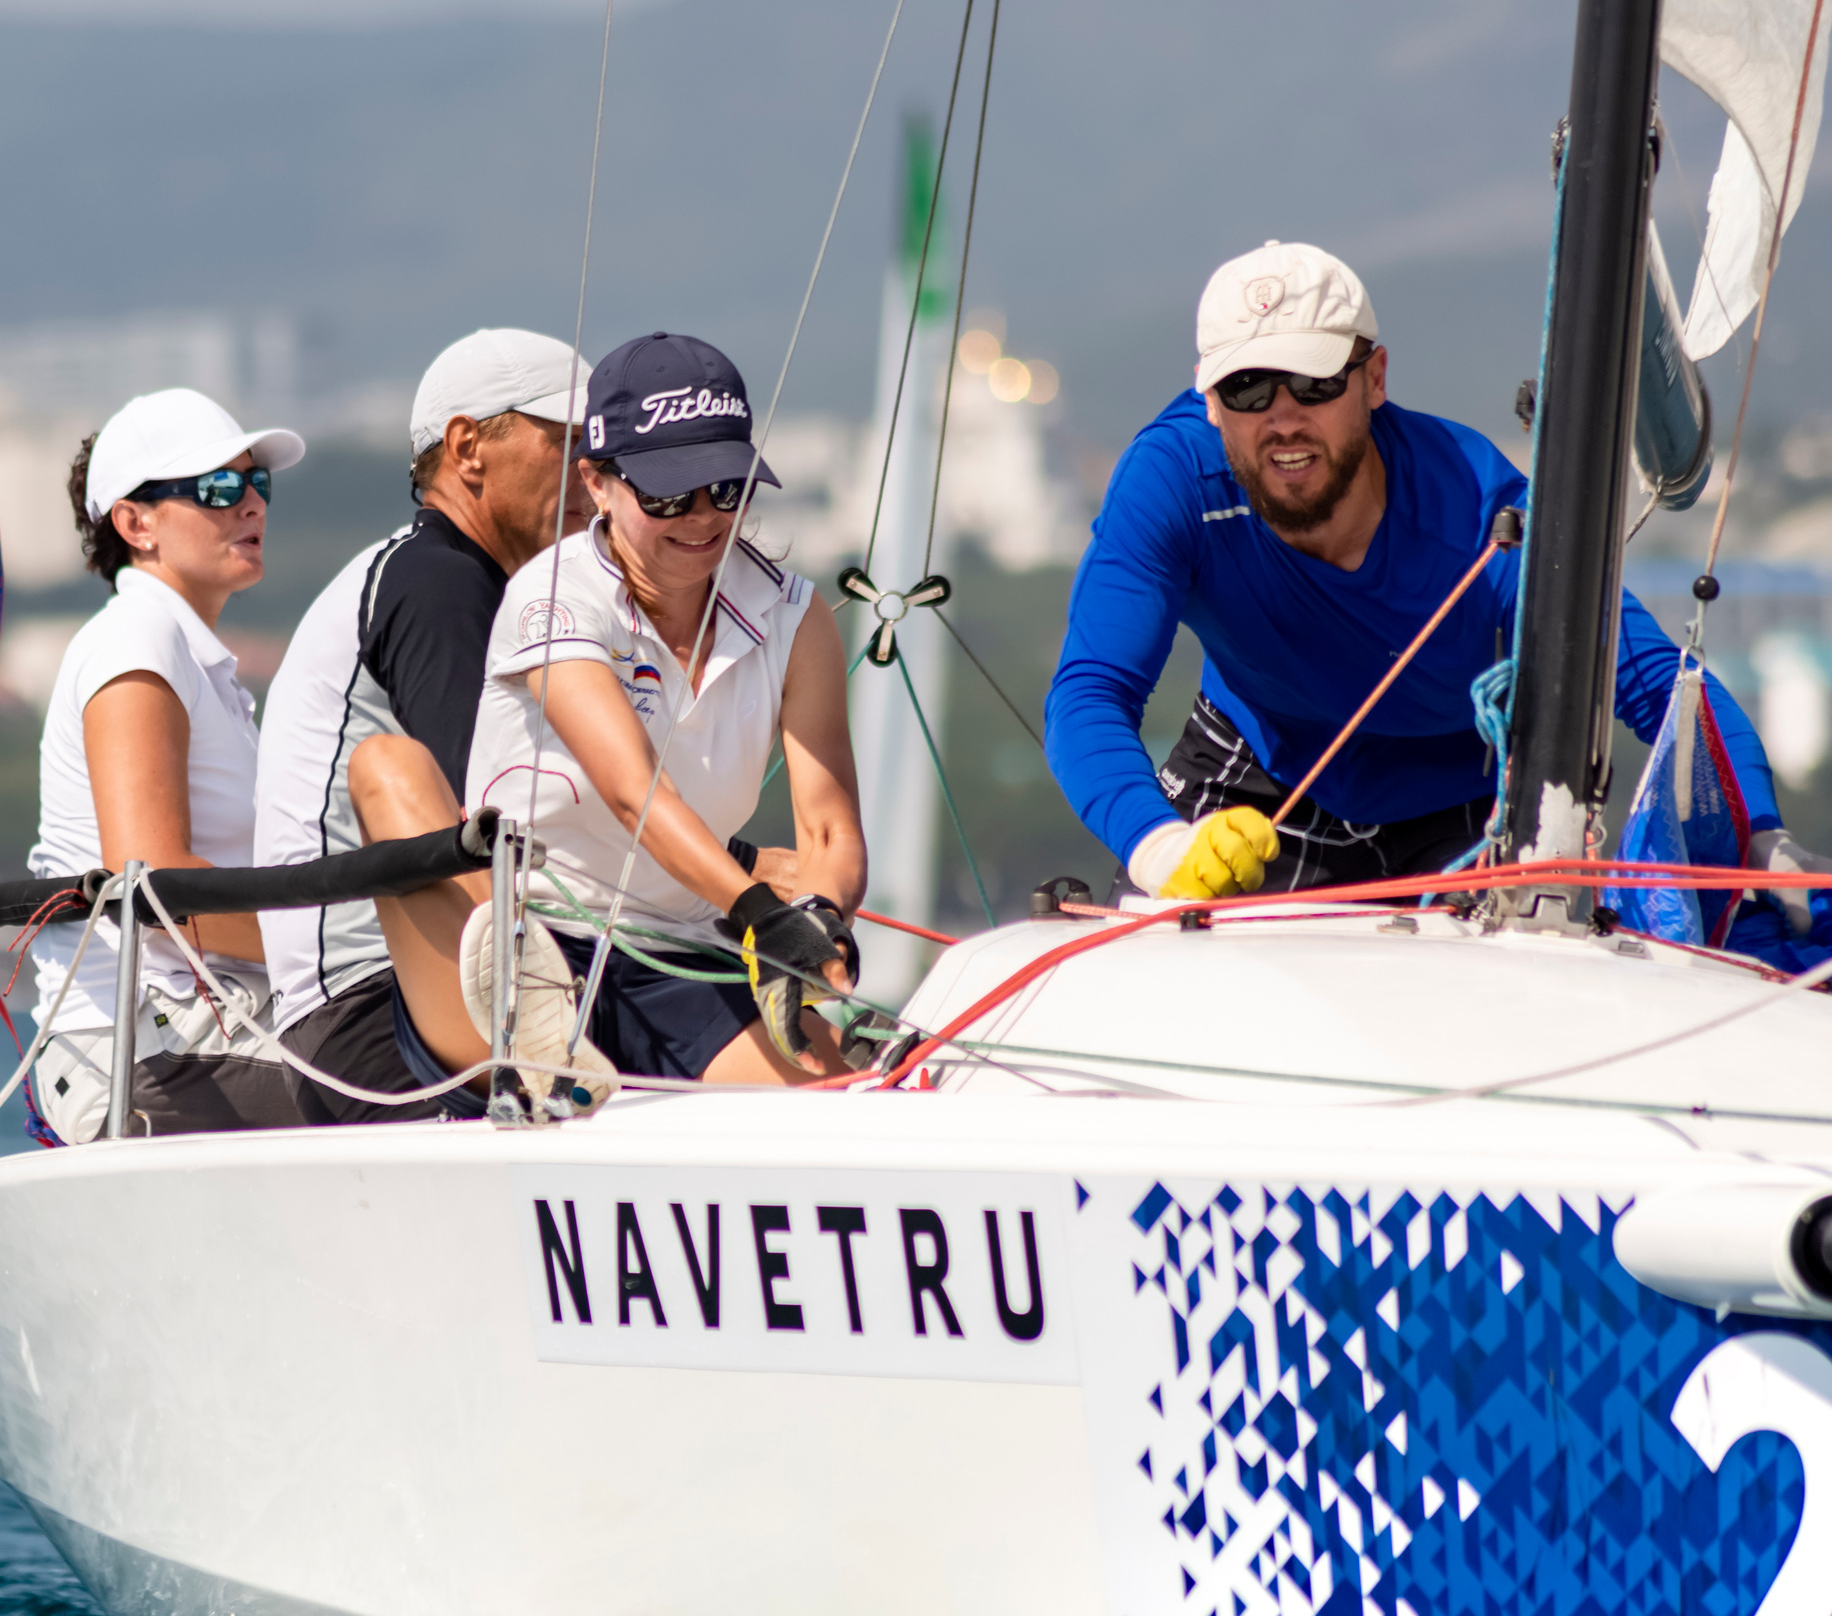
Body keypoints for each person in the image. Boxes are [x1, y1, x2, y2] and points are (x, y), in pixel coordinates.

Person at [1045, 239, 1831, 921]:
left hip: (1449, 807)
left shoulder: (1480, 515)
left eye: (1313, 382)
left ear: (1374, 377)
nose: (1282, 418)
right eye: (1248, 388)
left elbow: (1655, 678)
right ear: (1210, 401)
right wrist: (1163, 851)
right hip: (1250, 782)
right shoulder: (1173, 479)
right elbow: (1088, 695)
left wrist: (1759, 833)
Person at [420, 330, 868, 1085]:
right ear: (596, 482)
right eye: (666, 495)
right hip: (538, 942)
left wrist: (818, 919)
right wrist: (764, 914)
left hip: (685, 950)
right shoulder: (551, 593)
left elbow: (827, 826)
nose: (701, 518)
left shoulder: (796, 616)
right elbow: (636, 793)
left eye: (727, 489)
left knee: (841, 1100)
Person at [251, 330, 599, 1123]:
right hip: (369, 1014)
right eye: (566, 441)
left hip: (392, 992)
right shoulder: (439, 583)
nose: (592, 471)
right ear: (467, 447)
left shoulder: (446, 577)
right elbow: (509, 810)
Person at [22, 387, 307, 1141]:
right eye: (218, 487)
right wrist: (330, 940)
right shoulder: (135, 641)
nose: (251, 505)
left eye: (258, 483)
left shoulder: (193, 657)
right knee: (428, 1068)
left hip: (205, 1027)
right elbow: (152, 881)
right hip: (141, 1052)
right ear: (135, 522)